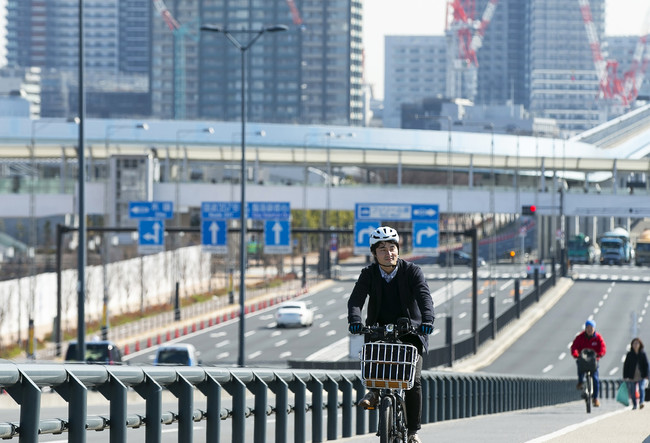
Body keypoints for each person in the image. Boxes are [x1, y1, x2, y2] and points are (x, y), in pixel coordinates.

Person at [348, 226, 434, 443]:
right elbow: (356, 301)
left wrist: (427, 321)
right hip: (378, 330)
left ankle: (413, 431)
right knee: (374, 362)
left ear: (398, 249)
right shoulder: (368, 274)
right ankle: (375, 392)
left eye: (392, 247)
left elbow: (425, 297)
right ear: (374, 253)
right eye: (382, 249)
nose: (389, 253)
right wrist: (356, 322)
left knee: (412, 381)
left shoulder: (412, 271)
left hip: (411, 332)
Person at [570, 319, 606, 407]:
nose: (589, 330)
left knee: (595, 378)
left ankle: (595, 398)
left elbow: (603, 347)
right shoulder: (580, 337)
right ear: (585, 328)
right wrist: (575, 354)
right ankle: (580, 382)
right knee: (580, 367)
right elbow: (574, 346)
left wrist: (600, 354)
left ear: (594, 328)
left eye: (591, 328)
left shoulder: (598, 337)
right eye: (588, 328)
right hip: (583, 359)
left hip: (593, 360)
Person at [623, 337, 649, 409]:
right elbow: (626, 365)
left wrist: (647, 375)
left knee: (641, 388)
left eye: (637, 343)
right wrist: (625, 376)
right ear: (632, 345)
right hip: (632, 376)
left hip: (641, 375)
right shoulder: (630, 354)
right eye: (634, 343)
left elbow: (646, 365)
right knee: (632, 391)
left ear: (640, 345)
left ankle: (641, 402)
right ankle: (634, 404)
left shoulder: (642, 354)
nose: (636, 345)